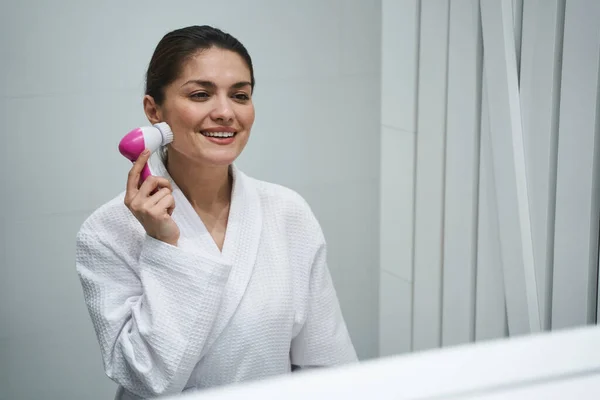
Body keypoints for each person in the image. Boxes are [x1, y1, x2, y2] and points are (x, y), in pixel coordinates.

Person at [75, 25, 358, 400]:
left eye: (240, 95)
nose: (225, 112)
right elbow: (148, 378)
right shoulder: (107, 231)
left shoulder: (288, 212)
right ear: (153, 110)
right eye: (200, 94)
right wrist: (164, 246)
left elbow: (329, 365)